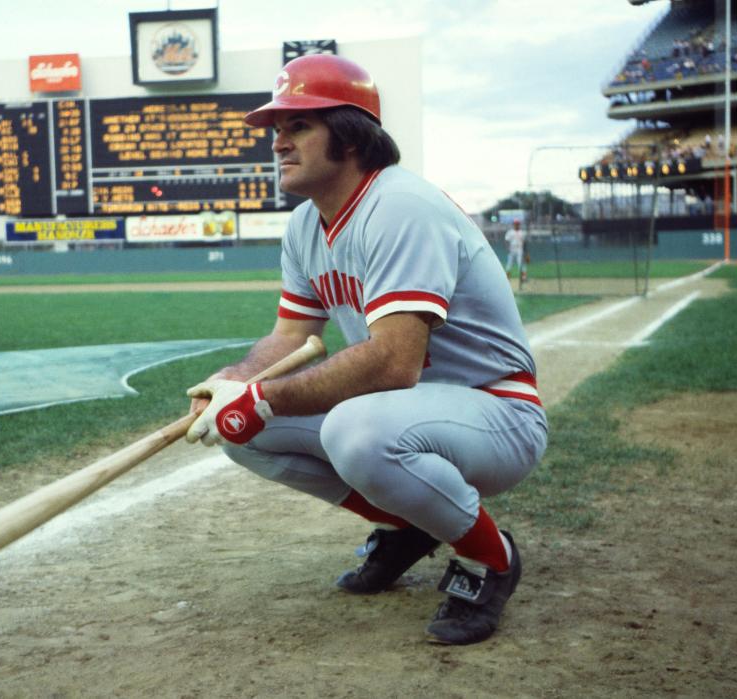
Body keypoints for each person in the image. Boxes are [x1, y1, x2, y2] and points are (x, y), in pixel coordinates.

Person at [184, 54, 547, 646]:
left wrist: (266, 398)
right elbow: (290, 337)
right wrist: (233, 380)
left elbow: (394, 362)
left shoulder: (398, 205)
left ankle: (491, 559)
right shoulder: (306, 225)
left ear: (350, 136)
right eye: (276, 130)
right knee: (240, 431)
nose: (278, 143)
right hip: (412, 408)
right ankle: (411, 526)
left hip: (496, 413)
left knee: (355, 429)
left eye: (297, 126)